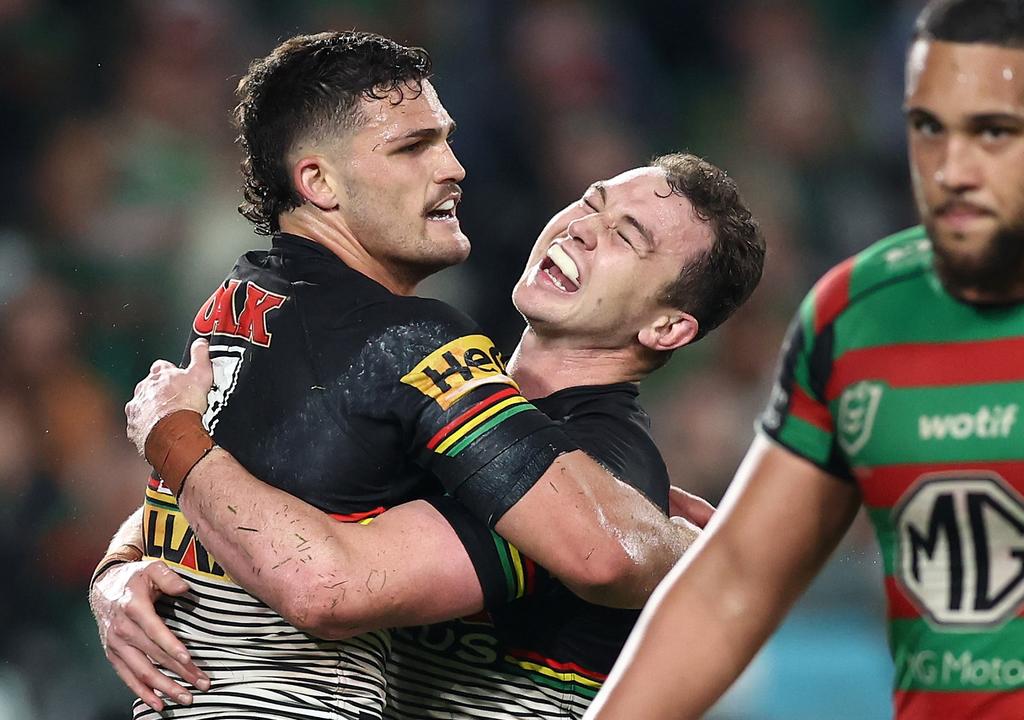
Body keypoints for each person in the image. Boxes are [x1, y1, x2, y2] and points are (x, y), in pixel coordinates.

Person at [586, 1, 1024, 719]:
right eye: (929, 127)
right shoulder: (855, 315)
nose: (952, 169)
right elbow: (733, 585)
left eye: (993, 132)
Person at [84, 31, 708, 720]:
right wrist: (116, 570)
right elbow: (310, 568)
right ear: (318, 182)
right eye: (413, 147)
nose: (454, 168)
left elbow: (250, 488)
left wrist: (137, 521)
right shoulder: (407, 348)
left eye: (627, 237)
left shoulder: (244, 301)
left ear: (669, 326)